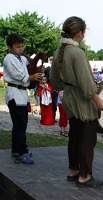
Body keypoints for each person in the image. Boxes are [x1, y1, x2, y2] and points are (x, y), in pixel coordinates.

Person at [50, 16, 103, 188]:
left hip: (69, 97)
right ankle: (84, 176)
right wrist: (98, 100)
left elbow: (54, 81)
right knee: (87, 139)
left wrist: (67, 87)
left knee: (74, 136)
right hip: (82, 101)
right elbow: (87, 83)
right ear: (80, 33)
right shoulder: (77, 53)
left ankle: (73, 170)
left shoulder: (59, 51)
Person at [3, 33, 44, 164]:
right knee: (20, 124)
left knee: (21, 123)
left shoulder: (22, 58)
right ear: (10, 47)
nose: (21, 49)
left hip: (22, 94)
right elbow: (18, 74)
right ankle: (22, 151)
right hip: (14, 93)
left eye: (22, 46)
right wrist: (30, 78)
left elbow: (29, 69)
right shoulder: (9, 58)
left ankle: (16, 149)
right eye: (17, 46)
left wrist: (38, 69)